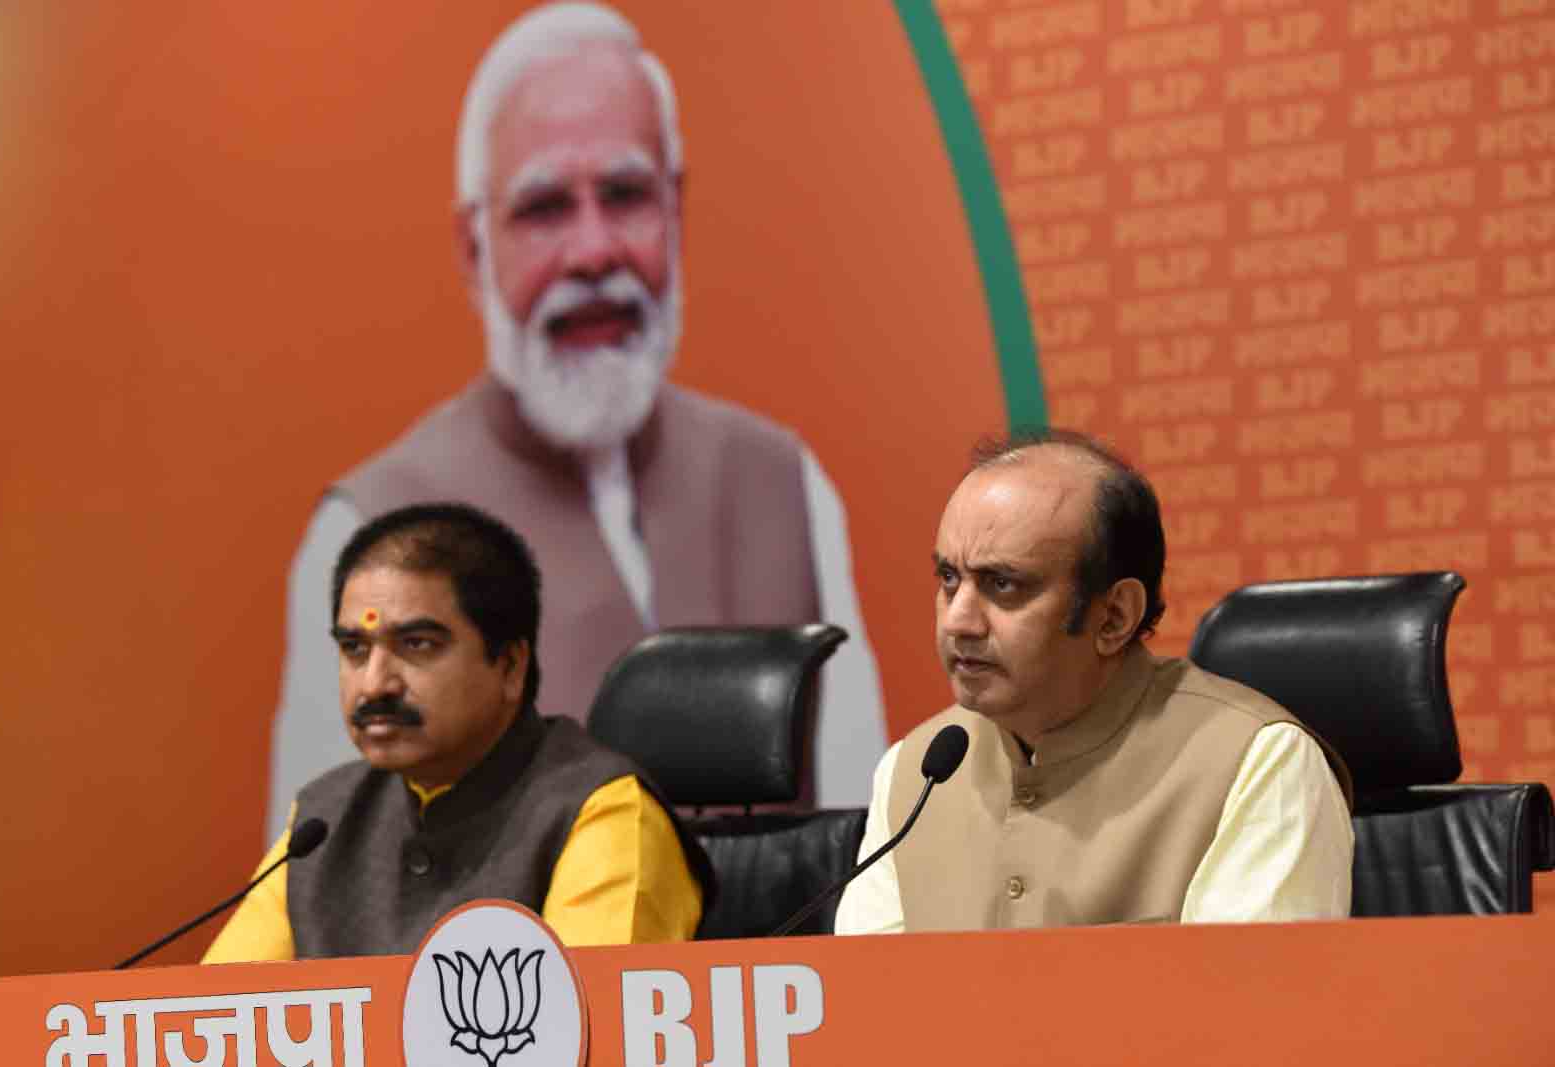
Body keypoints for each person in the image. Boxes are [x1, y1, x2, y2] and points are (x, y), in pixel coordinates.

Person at [265, 1, 886, 842]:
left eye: (625, 195)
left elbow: (864, 858)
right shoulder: (366, 534)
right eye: (545, 207)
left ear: (675, 207)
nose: (594, 252)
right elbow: (324, 898)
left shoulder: (783, 483)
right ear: (474, 248)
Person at [834, 430, 1354, 934]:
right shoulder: (914, 773)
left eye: (1003, 585)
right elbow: (874, 1007)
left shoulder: (1257, 762)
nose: (958, 621)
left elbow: (1257, 1010)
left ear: (1113, 617)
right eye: (949, 579)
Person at [206, 503, 710, 961]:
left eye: (417, 644)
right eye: (355, 649)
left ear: (510, 666)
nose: (375, 683)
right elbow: (223, 1021)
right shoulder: (323, 820)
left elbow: (591, 1041)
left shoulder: (601, 811)